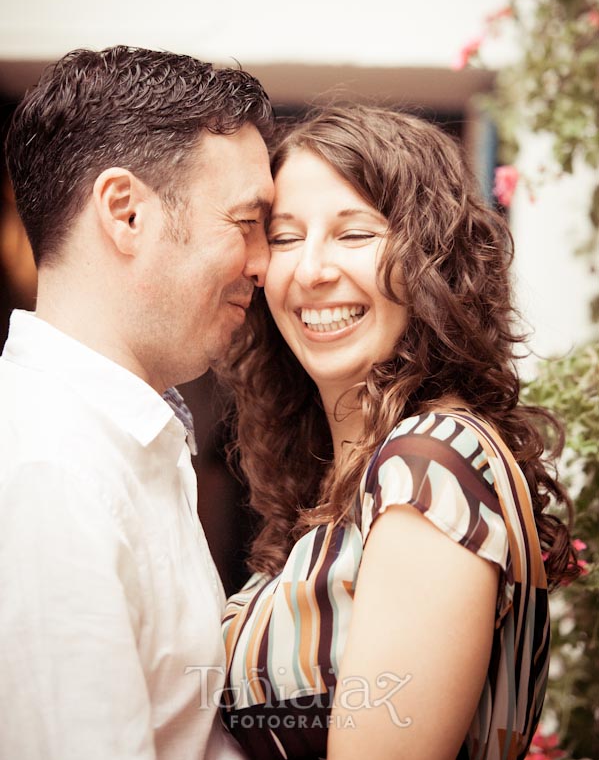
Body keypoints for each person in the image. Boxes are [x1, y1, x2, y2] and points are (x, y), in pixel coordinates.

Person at [218, 105, 579, 760]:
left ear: (431, 259)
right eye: (286, 236)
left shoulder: (429, 464)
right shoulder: (356, 472)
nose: (310, 270)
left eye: (353, 234)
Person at [0, 46, 275, 760]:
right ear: (126, 214)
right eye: (245, 223)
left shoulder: (127, 434)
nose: (264, 263)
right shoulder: (47, 470)